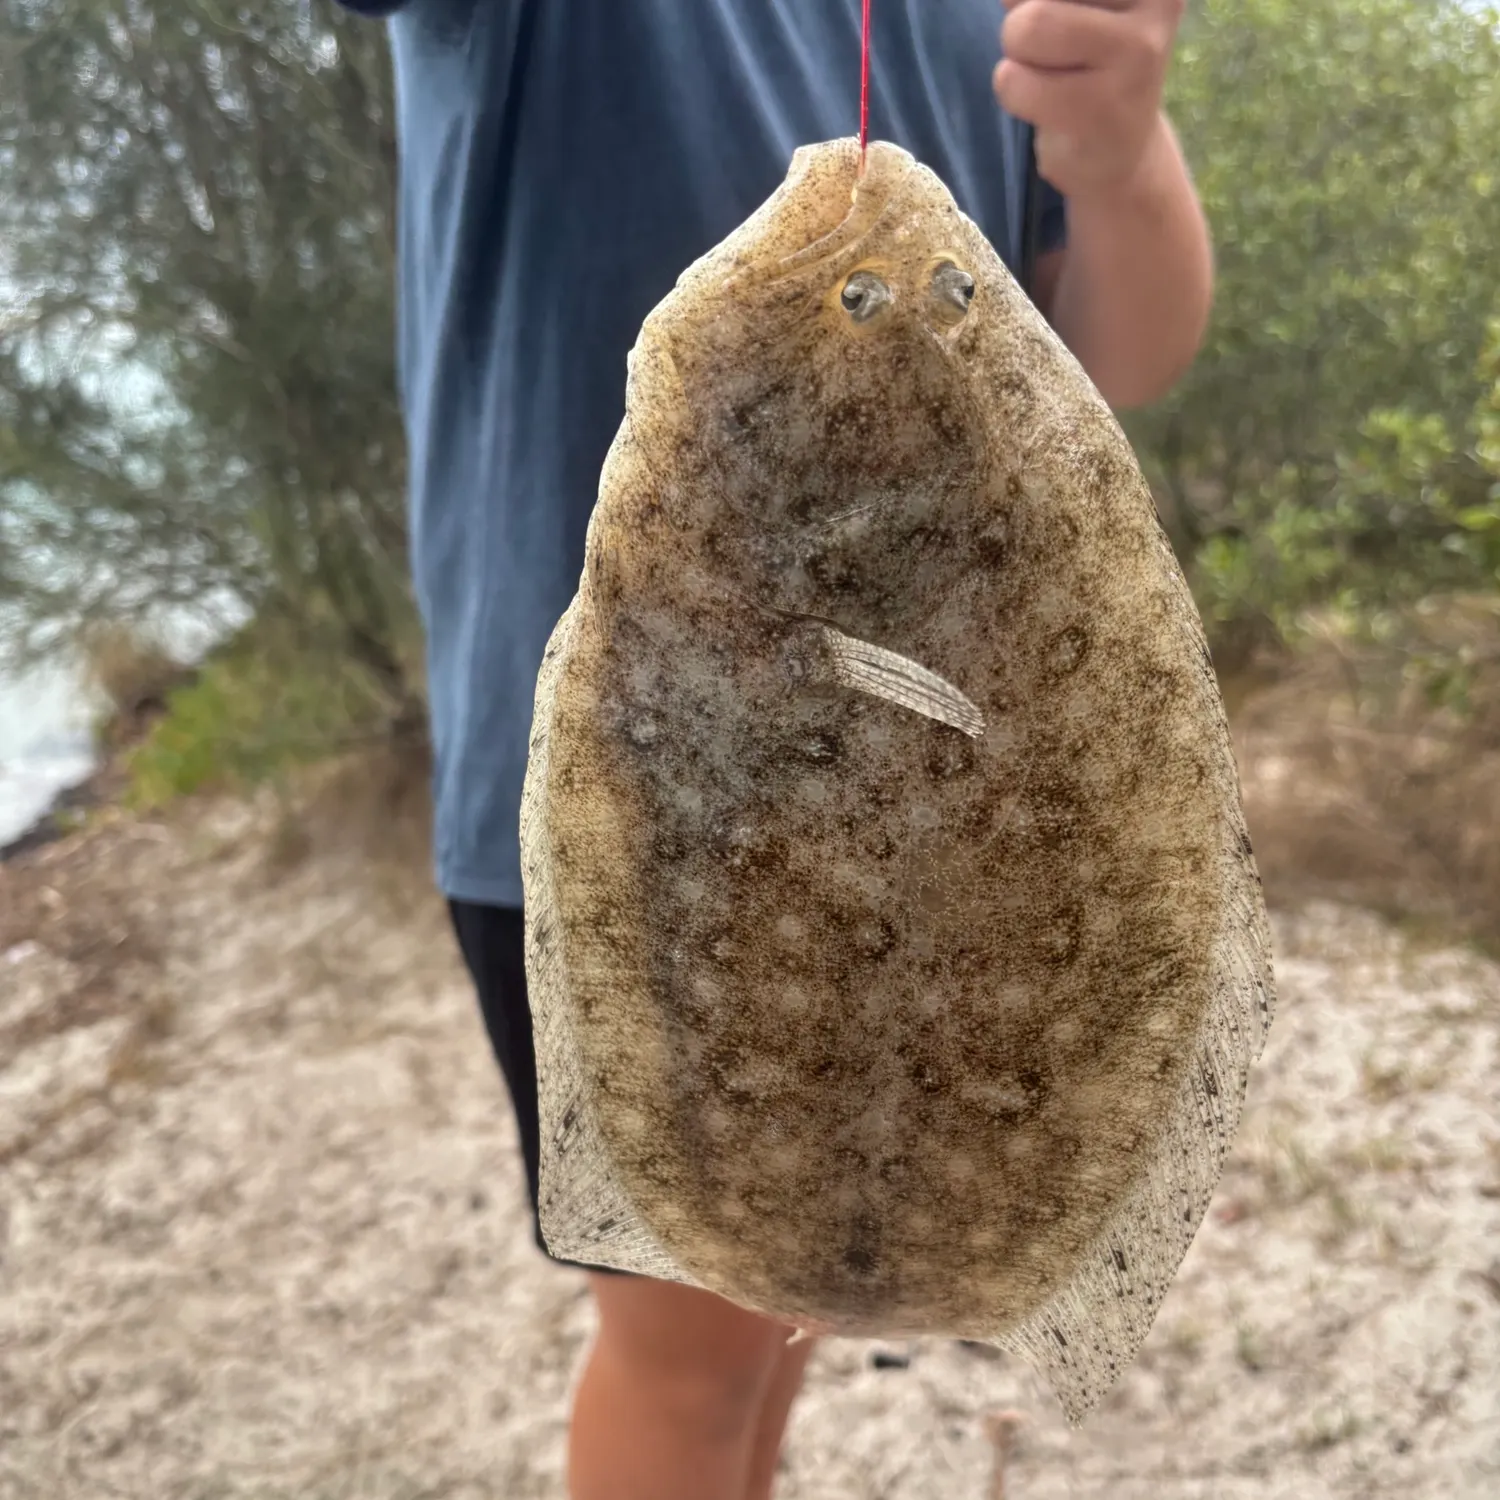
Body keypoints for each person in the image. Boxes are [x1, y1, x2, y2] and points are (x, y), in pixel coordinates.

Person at [334, 2, 1211, 1496]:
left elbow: (1123, 345)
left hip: (961, 822)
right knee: (694, 1347)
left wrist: (1118, 156)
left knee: (782, 1319)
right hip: (627, 812)